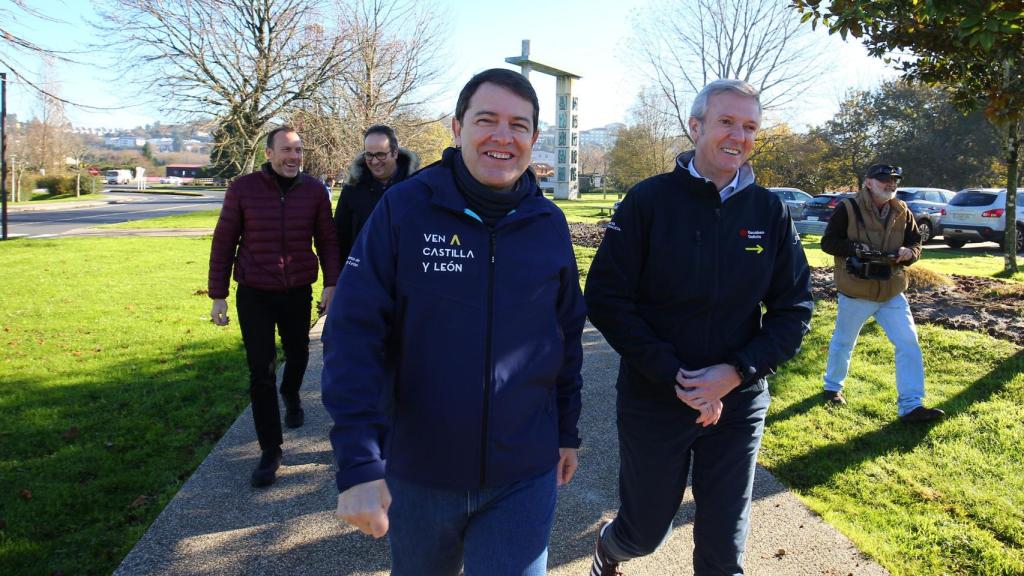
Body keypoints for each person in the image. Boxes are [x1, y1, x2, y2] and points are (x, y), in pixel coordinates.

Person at [321, 68, 586, 576]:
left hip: (523, 472)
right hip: (421, 474)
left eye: (519, 125)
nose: (502, 137)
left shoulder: (548, 224)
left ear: (534, 137)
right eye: (487, 120)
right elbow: (354, 334)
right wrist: (358, 461)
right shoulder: (405, 208)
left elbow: (566, 334)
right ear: (457, 126)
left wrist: (566, 429)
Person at [584, 79, 814, 575]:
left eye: (750, 126)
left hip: (738, 401)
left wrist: (735, 372)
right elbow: (606, 297)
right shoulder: (648, 201)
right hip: (656, 397)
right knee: (645, 533)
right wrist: (678, 375)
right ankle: (610, 546)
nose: (739, 135)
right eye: (726, 122)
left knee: (723, 549)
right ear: (695, 127)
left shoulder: (769, 211)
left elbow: (794, 309)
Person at [208, 126, 340, 488]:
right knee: (261, 371)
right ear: (269, 153)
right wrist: (217, 295)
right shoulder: (243, 189)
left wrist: (332, 283)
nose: (293, 157)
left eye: (298, 150)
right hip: (255, 292)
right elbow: (224, 241)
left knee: (298, 354)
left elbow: (327, 239)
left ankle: (292, 393)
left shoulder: (314, 190)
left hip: (298, 289)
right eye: (286, 150)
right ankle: (271, 450)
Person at [820, 164, 944, 423]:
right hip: (856, 289)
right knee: (844, 342)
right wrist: (855, 248)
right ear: (868, 182)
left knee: (908, 343)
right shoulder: (848, 208)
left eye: (894, 180)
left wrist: (910, 253)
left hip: (892, 291)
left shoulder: (902, 210)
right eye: (884, 179)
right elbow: (828, 243)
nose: (890, 184)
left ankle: (911, 406)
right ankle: (833, 387)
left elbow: (915, 242)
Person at [335, 125, 420, 268]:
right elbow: (339, 238)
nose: (374, 161)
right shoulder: (352, 189)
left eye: (381, 154)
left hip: (404, 276)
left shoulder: (416, 188)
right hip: (361, 275)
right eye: (369, 155)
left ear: (395, 152)